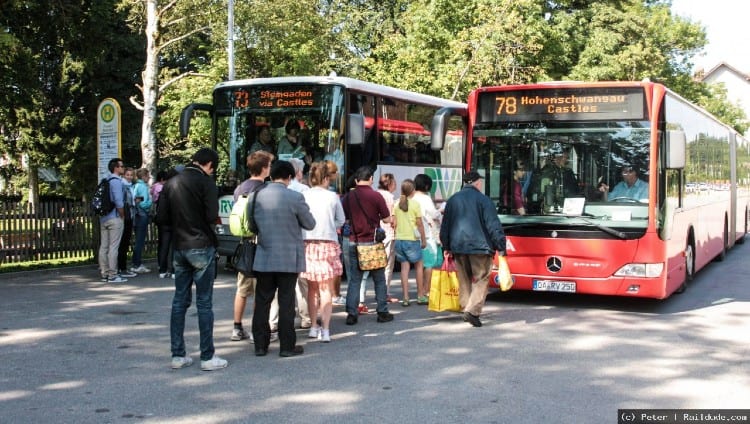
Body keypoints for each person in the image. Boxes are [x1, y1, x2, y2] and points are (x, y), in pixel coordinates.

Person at [157, 147, 228, 371]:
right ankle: (207, 356)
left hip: (179, 246)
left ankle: (178, 354)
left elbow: (161, 217)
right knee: (204, 303)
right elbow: (210, 215)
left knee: (179, 301)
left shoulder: (171, 183)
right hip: (202, 245)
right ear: (209, 165)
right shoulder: (206, 183)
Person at [252, 160, 316, 357]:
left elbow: (251, 225)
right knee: (286, 301)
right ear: (290, 177)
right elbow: (310, 224)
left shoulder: (256, 196)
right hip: (289, 257)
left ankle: (261, 345)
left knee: (262, 301)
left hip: (264, 255)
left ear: (271, 176)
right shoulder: (296, 197)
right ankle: (287, 346)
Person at [440, 171, 507, 328]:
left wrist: (446, 246)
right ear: (477, 183)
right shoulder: (484, 200)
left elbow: (445, 226)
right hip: (480, 247)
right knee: (482, 278)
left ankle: (466, 307)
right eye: (480, 182)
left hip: (458, 246)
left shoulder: (452, 200)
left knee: (464, 279)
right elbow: (493, 225)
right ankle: (472, 311)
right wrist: (501, 246)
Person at [229, 151, 278, 344]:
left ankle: (237, 327)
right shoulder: (265, 189)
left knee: (242, 289)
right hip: (262, 244)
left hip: (245, 244)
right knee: (263, 291)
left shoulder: (240, 188)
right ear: (265, 168)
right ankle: (259, 328)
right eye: (270, 165)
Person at [342, 166, 394, 325]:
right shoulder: (376, 196)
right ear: (371, 179)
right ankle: (382, 312)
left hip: (354, 242)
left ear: (357, 180)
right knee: (379, 279)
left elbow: (344, 218)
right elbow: (386, 219)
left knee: (354, 280)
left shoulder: (349, 196)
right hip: (373, 243)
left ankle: (352, 313)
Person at [301, 161, 345, 343]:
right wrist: (329, 227)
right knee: (326, 288)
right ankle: (325, 330)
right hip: (328, 243)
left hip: (307, 243)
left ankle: (313, 326)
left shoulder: (303, 195)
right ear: (326, 178)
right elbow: (341, 220)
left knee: (312, 289)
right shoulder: (332, 197)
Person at [393, 179, 426, 307]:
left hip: (399, 240)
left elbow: (394, 223)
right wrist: (423, 240)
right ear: (413, 190)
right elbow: (420, 225)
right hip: (412, 240)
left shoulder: (396, 204)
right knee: (419, 266)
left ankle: (405, 298)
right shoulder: (415, 204)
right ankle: (420, 295)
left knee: (404, 268)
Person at [412, 173, 442, 301]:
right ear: (426, 186)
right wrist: (440, 210)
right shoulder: (425, 198)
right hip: (427, 235)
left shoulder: (412, 197)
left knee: (420, 264)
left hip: (415, 235)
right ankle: (426, 290)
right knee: (429, 263)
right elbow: (434, 214)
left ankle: (421, 290)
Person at [99, 158, 128, 283]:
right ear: (116, 168)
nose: (123, 168)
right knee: (113, 247)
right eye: (121, 166)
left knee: (104, 246)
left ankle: (104, 273)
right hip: (115, 217)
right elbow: (118, 201)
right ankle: (113, 274)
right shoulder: (116, 182)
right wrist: (122, 215)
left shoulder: (105, 180)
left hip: (104, 217)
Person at [376, 173, 399, 303]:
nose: (395, 185)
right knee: (387, 266)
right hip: (388, 234)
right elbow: (392, 219)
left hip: (376, 234)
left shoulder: (376, 193)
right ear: (389, 184)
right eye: (394, 183)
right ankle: (384, 293)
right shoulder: (390, 197)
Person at [151, 169, 174, 278]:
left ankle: (162, 269)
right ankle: (173, 270)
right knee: (173, 246)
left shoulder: (161, 192)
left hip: (163, 222)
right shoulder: (175, 191)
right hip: (173, 222)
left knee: (163, 246)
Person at [116, 167, 137, 279]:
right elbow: (123, 202)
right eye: (127, 175)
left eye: (131, 175)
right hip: (125, 217)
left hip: (130, 216)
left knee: (125, 243)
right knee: (123, 243)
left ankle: (122, 267)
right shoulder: (123, 186)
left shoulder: (130, 187)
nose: (129, 177)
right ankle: (121, 268)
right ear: (124, 175)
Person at [131, 167, 152, 274]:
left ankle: (135, 262)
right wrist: (150, 203)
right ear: (143, 176)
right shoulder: (143, 187)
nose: (149, 177)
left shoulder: (135, 185)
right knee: (140, 240)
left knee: (137, 240)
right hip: (142, 215)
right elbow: (143, 202)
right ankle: (137, 264)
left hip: (136, 215)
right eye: (148, 175)